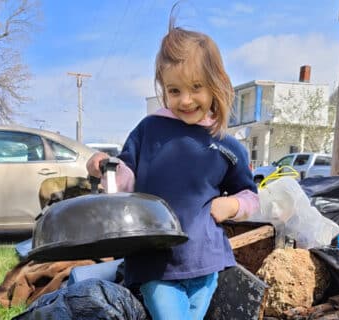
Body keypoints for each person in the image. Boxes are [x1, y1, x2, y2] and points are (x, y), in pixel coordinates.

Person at [86, 17, 260, 320]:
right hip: (155, 264)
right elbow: (124, 179)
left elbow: (251, 195)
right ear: (163, 89)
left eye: (196, 87)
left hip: (206, 261)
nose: (186, 99)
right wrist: (106, 168)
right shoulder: (149, 130)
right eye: (174, 90)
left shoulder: (227, 147)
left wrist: (232, 204)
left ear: (215, 85)